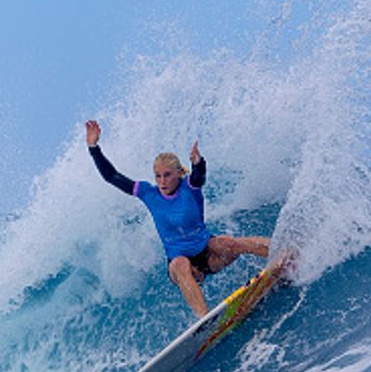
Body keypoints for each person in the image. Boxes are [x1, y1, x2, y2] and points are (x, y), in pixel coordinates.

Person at [85, 119, 270, 318]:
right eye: (158, 176)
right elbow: (112, 176)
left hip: (209, 256)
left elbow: (199, 176)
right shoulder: (149, 193)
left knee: (227, 242)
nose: (162, 181)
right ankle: (205, 321)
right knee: (180, 264)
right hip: (181, 266)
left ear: (178, 174)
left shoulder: (189, 187)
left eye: (167, 175)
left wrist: (198, 163)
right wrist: (93, 147)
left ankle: (281, 252)